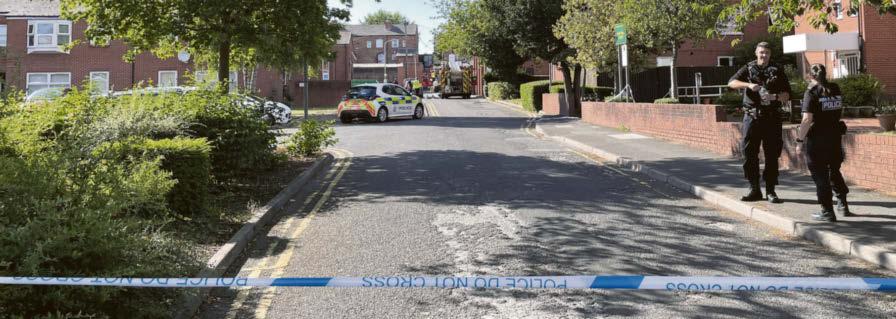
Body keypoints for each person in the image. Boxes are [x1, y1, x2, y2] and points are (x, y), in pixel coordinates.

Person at [728, 42, 791, 203]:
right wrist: (748, 85)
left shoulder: (777, 70)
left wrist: (775, 97)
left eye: (767, 53)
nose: (764, 55)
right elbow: (731, 83)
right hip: (752, 117)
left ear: (770, 55)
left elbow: (787, 95)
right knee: (749, 154)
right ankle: (754, 189)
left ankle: (770, 190)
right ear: (756, 53)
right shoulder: (748, 68)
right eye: (761, 52)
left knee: (771, 155)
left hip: (771, 118)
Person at [796, 64, 852, 222]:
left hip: (818, 139)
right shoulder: (834, 88)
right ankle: (843, 205)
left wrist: (800, 140)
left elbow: (807, 119)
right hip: (834, 137)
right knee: (834, 170)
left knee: (820, 175)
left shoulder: (811, 92)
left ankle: (827, 211)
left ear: (810, 76)